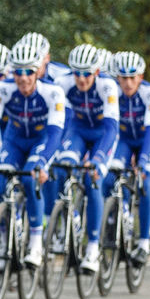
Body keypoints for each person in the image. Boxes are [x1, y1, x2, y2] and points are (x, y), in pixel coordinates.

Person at [0, 40, 65, 267]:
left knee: (30, 178)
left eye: (28, 72)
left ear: (37, 72)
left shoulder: (52, 92)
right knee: (0, 179)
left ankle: (35, 242)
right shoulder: (2, 89)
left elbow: (55, 133)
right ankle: (2, 240)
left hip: (40, 141)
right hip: (13, 140)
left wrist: (43, 162)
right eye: (18, 72)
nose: (23, 78)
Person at [52, 43, 120, 272]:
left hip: (102, 134)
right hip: (78, 131)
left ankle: (92, 246)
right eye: (77, 73)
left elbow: (111, 129)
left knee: (93, 179)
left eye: (87, 74)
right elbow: (61, 122)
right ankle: (66, 221)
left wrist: (98, 159)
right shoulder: (63, 83)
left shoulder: (108, 86)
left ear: (97, 72)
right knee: (62, 168)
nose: (81, 79)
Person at [104, 50, 150, 265]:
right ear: (117, 78)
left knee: (145, 182)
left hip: (148, 139)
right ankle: (119, 217)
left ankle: (145, 241)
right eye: (123, 78)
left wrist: (143, 162)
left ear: (140, 76)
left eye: (132, 77)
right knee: (110, 178)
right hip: (124, 141)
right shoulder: (112, 92)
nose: (128, 83)